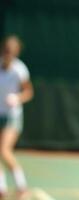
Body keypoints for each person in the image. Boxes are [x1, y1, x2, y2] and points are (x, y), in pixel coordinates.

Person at [0, 35, 33, 199]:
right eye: (6, 50)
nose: (8, 53)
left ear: (17, 52)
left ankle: (21, 186)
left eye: (12, 51)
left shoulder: (20, 69)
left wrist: (17, 98)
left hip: (12, 116)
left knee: (4, 150)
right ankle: (2, 188)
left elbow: (29, 92)